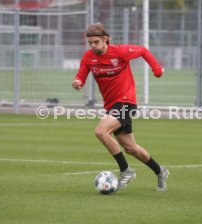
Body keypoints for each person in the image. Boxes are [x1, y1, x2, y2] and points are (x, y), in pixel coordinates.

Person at [72, 23, 169, 191]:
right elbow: (80, 77)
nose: (93, 46)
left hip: (126, 101)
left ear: (105, 40)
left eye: (96, 42)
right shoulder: (88, 57)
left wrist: (157, 69)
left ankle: (125, 170)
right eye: (90, 43)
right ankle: (160, 171)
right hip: (111, 105)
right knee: (131, 148)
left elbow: (143, 51)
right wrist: (77, 83)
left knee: (101, 131)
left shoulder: (120, 52)